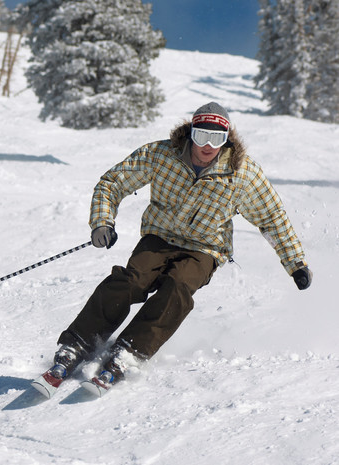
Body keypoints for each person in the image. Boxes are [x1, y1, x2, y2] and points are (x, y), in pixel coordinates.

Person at [49, 102, 313, 390]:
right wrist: (102, 222)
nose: (208, 146)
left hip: (204, 248)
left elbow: (272, 218)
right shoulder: (161, 155)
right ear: (190, 133)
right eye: (202, 136)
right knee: (130, 282)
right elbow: (112, 183)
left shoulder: (242, 173)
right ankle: (75, 344)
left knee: (177, 287)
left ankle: (128, 352)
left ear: (228, 140)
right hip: (159, 237)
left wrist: (296, 264)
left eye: (217, 139)